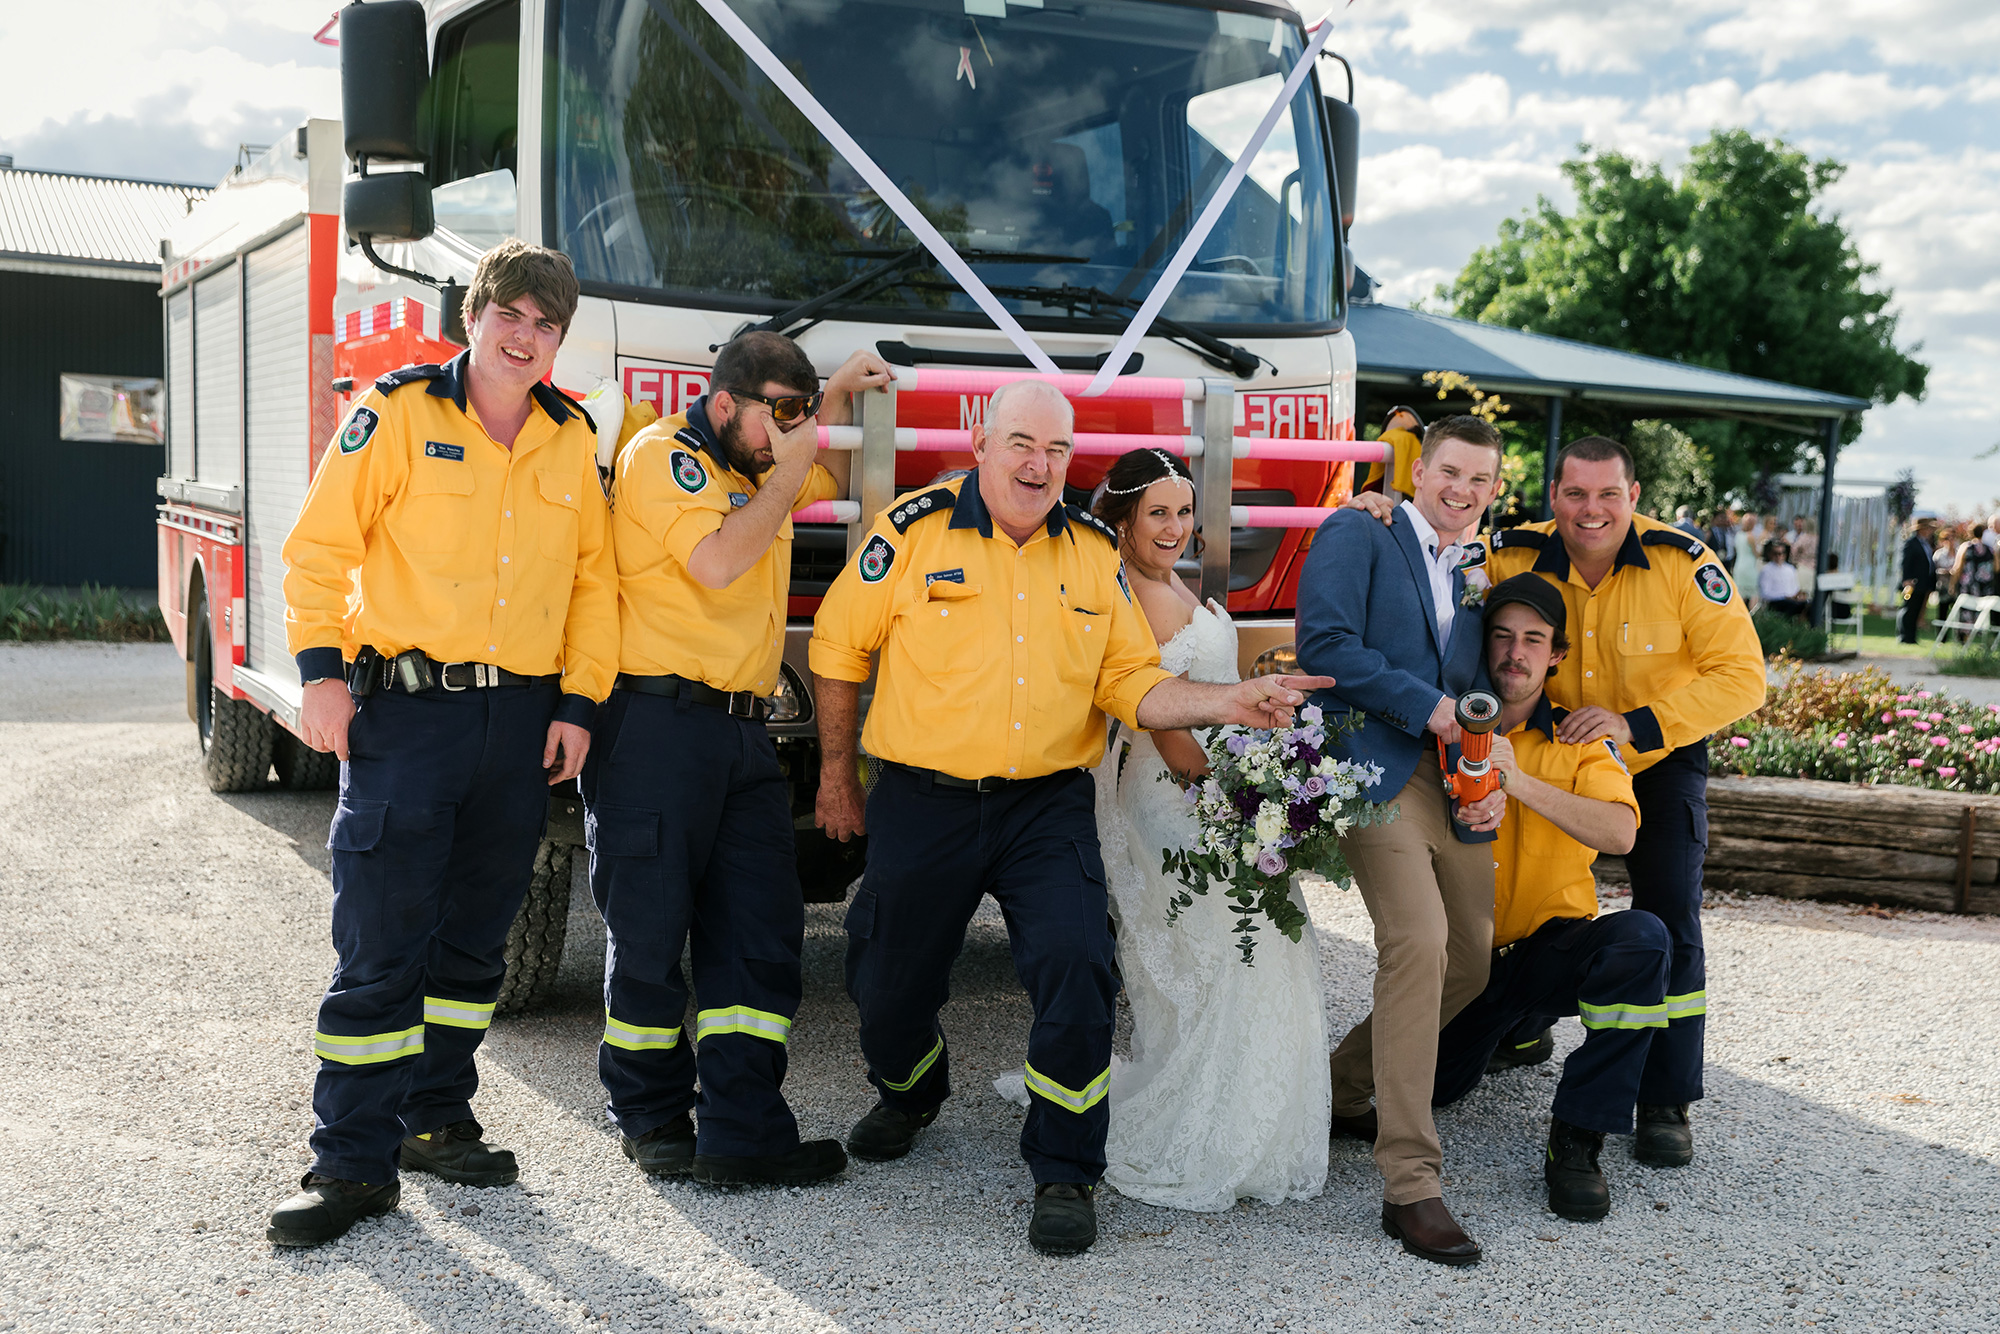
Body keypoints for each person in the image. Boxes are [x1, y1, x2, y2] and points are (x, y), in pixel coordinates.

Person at [809, 379, 1331, 1256]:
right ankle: (910, 1091)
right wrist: (835, 773)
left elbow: (1131, 682)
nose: (1037, 464)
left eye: (1055, 451)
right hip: (924, 797)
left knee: (1079, 967)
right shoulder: (911, 528)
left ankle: (1064, 1168)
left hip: (1044, 803)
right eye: (1021, 443)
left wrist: (1233, 701)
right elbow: (836, 646)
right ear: (982, 443)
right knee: (884, 978)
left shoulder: (1091, 553)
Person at [268, 242, 618, 1246]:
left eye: (545, 324)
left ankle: (434, 1115)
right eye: (509, 313)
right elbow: (318, 549)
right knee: (381, 939)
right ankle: (349, 1163)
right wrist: (323, 675)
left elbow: (594, 584)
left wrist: (579, 705)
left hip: (520, 722)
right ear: (474, 316)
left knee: (474, 938)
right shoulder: (398, 411)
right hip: (409, 716)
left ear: (558, 341)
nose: (524, 335)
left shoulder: (568, 436)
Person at [1345, 433, 1764, 1172]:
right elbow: (1439, 563)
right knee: (1502, 883)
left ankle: (1664, 1100)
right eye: (1574, 494)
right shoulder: (1512, 553)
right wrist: (1382, 511)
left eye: (1608, 494)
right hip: (1529, 737)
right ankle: (1522, 1020)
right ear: (1553, 498)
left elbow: (1743, 678)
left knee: (1667, 916)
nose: (1590, 510)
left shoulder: (1682, 562)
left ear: (1634, 498)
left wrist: (1632, 727)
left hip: (1653, 751)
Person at [582, 333, 891, 1188]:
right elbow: (717, 560)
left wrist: (823, 404)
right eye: (778, 415)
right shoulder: (663, 456)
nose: (793, 435)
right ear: (724, 405)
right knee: (647, 934)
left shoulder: (756, 469)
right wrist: (795, 462)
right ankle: (649, 1119)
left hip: (742, 734)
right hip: (652, 726)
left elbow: (782, 472)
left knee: (759, 931)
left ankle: (743, 1130)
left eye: (800, 415)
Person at [995, 447, 1332, 1212]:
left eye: (1184, 512)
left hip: (1218, 781)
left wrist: (1266, 781)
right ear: (1120, 521)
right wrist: (1234, 807)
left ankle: (1246, 1117)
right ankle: (1206, 1123)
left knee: (1259, 945)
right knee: (1228, 951)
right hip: (1177, 790)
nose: (1175, 527)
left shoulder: (1168, 582)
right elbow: (1156, 713)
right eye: (1158, 514)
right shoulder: (1128, 597)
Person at [1298, 414, 1509, 1267]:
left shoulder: (1476, 565)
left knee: (1472, 959)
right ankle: (1411, 1184)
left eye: (1481, 482)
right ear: (1421, 469)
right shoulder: (1360, 526)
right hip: (1372, 766)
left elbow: (1474, 680)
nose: (1462, 493)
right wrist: (1429, 711)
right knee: (1417, 941)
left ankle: (1345, 1089)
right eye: (1451, 473)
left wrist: (1490, 771)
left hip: (1454, 777)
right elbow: (1326, 647)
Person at [1429, 575, 1665, 1222]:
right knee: (1442, 1090)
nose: (1516, 652)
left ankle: (1578, 1137)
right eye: (1502, 635)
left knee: (1642, 940)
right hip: (1465, 967)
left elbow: (1621, 830)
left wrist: (1517, 779)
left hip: (1549, 947)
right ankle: (1519, 1033)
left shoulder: (1579, 735)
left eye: (1534, 640)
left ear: (1556, 654)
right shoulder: (1441, 724)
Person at [1899, 512, 1939, 643]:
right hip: (1913, 582)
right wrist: (1907, 579)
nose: (1929, 531)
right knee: (1909, 609)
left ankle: (1912, 637)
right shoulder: (1912, 543)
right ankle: (1905, 637)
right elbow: (1906, 562)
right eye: (1927, 528)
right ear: (1921, 529)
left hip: (1923, 582)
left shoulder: (1926, 544)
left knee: (1917, 610)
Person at [1756, 540, 1809, 620]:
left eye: (1782, 553)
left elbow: (1795, 588)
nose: (1779, 556)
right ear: (1771, 554)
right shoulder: (1766, 570)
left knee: (1808, 605)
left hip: (1791, 600)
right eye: (1776, 553)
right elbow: (1765, 593)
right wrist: (1784, 596)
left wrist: (1799, 595)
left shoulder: (1790, 569)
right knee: (1793, 605)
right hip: (1776, 601)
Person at [1788, 516, 1818, 598]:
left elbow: (1794, 551)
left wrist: (1794, 561)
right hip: (1815, 568)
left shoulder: (1804, 538)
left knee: (1801, 592)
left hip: (1803, 567)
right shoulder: (1819, 539)